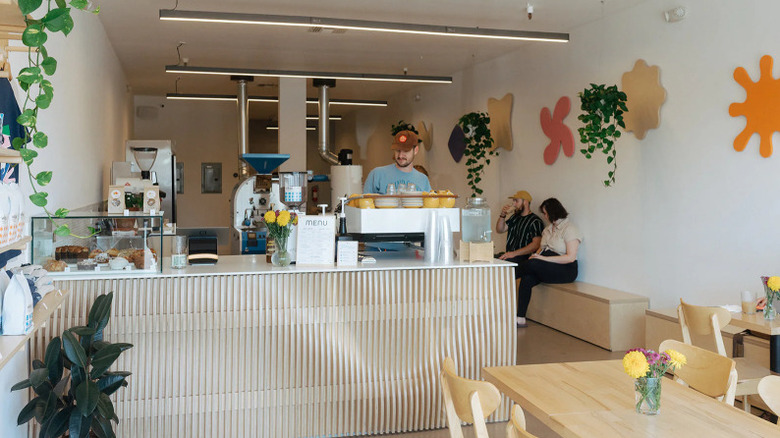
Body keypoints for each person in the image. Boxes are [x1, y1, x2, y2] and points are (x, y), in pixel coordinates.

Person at [515, 198, 583, 328]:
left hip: (566, 269)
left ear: (553, 213)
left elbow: (570, 258)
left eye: (545, 213)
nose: (544, 216)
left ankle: (504, 277)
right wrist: (537, 256)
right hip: (547, 265)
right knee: (527, 277)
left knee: (533, 264)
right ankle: (520, 318)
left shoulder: (570, 229)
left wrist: (541, 259)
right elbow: (542, 248)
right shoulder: (548, 229)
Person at [363, 130, 431, 194]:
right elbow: (364, 204)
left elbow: (430, 205)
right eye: (397, 150)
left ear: (416, 150)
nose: (400, 155)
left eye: (406, 151)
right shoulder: (377, 175)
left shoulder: (423, 180)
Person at [497, 190, 544, 266]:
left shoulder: (535, 221)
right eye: (513, 201)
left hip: (524, 258)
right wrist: (502, 215)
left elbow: (536, 245)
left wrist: (513, 254)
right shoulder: (515, 217)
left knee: (499, 266)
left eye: (516, 201)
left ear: (525, 202)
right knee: (490, 260)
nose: (514, 204)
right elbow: (500, 230)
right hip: (509, 255)